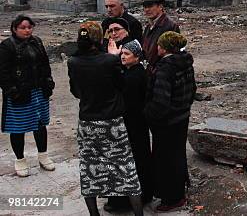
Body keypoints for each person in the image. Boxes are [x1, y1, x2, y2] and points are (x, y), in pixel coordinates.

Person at [68, 22, 143, 216]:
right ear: (98, 38)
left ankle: (94, 213)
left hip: (87, 123)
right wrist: (114, 58)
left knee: (89, 167)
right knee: (125, 167)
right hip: (112, 122)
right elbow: (121, 85)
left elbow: (76, 92)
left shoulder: (73, 62)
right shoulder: (109, 61)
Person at [144, 31, 195, 213]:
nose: (156, 47)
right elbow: (192, 90)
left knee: (166, 160)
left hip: (167, 123)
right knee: (178, 155)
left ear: (164, 48)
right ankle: (180, 190)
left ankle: (173, 198)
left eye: (159, 45)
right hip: (182, 117)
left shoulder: (166, 68)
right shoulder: (186, 62)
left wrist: (148, 114)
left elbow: (160, 102)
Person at [0, 15, 55, 177]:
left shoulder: (36, 42)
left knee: (40, 124)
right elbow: (2, 73)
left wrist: (49, 81)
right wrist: (12, 91)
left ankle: (43, 156)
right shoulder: (7, 46)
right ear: (14, 29)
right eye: (23, 28)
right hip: (19, 93)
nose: (27, 30)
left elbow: (45, 63)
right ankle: (20, 160)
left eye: (29, 27)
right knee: (18, 128)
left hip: (38, 91)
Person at [104, 40, 152, 213]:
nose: (123, 57)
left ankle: (131, 199)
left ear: (137, 57)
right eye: (122, 54)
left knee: (134, 161)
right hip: (137, 124)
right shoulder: (135, 71)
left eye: (126, 54)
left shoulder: (134, 76)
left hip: (133, 125)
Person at [141, 0, 180, 72]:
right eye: (145, 6)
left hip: (162, 74)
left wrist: (157, 70)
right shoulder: (148, 27)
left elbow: (173, 56)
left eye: (150, 6)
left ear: (160, 6)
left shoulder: (170, 26)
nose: (147, 9)